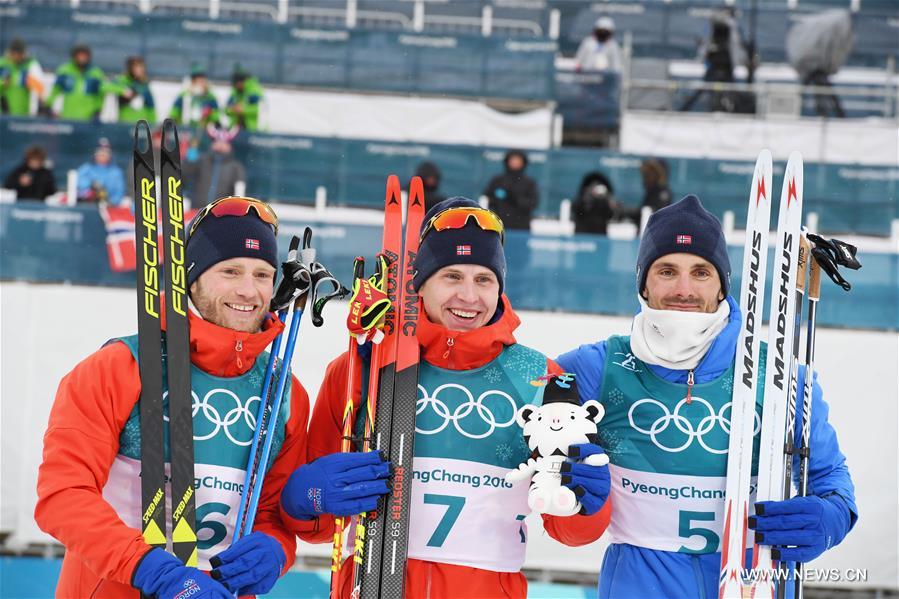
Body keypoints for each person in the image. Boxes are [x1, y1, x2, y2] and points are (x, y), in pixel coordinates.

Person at [295, 197, 612, 598]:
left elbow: (568, 531)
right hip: (370, 586)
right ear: (420, 283)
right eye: (451, 276)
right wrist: (307, 498)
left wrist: (587, 504)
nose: (469, 296)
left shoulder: (540, 379)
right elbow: (319, 525)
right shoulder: (362, 365)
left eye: (484, 280)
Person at [34, 197, 349, 598]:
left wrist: (274, 549)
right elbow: (63, 496)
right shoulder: (117, 368)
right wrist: (151, 569)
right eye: (230, 271)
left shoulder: (283, 392)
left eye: (262, 274)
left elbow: (270, 515)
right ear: (192, 278)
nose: (248, 290)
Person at [557, 195, 858, 598]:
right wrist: (569, 490)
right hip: (641, 585)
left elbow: (830, 477)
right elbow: (529, 442)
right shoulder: (594, 367)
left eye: (701, 272)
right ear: (644, 283)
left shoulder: (782, 375)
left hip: (753, 581)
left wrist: (831, 516)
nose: (684, 289)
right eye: (667, 271)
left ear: (721, 287)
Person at [183, 126, 246, 205]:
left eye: (224, 142)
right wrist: (188, 160)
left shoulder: (236, 167)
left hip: (221, 214)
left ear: (230, 146)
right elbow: (183, 174)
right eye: (217, 141)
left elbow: (239, 193)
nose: (220, 145)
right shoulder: (201, 160)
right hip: (197, 211)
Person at [46, 44, 108, 121]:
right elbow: (55, 91)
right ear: (74, 57)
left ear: (89, 57)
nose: (81, 58)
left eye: (84, 56)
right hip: (68, 117)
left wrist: (97, 110)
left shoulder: (95, 73)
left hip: (88, 119)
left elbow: (100, 95)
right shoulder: (65, 71)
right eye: (79, 55)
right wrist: (48, 106)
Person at [483, 150, 539, 231]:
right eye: (513, 160)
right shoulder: (498, 181)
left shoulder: (529, 183)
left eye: (518, 160)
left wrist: (516, 198)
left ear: (523, 162)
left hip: (521, 227)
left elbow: (532, 203)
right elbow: (488, 198)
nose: (515, 163)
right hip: (498, 225)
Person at [0, 38, 45, 116]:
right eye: (14, 53)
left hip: (22, 113)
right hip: (3, 113)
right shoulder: (2, 64)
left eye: (19, 53)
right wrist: (3, 82)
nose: (16, 56)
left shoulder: (30, 66)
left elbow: (39, 87)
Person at [76, 138, 125, 206]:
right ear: (95, 154)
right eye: (100, 152)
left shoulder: (116, 172)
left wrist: (110, 202)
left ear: (110, 155)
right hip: (88, 205)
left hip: (109, 208)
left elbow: (119, 192)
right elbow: (78, 185)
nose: (102, 154)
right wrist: (92, 185)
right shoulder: (85, 169)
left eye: (106, 152)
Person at [170, 64, 220, 131]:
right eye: (196, 78)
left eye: (201, 78)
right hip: (186, 131)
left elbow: (216, 115)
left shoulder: (210, 97)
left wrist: (212, 116)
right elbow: (174, 112)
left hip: (204, 131)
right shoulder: (184, 96)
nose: (200, 81)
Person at [572, 170, 618, 235]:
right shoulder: (583, 199)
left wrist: (610, 203)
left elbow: (611, 215)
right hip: (582, 236)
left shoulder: (605, 201)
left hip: (600, 236)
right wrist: (588, 198)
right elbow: (577, 210)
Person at [112, 56, 156, 124]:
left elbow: (151, 108)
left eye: (141, 67)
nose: (139, 70)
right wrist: (122, 91)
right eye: (136, 67)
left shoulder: (144, 85)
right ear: (130, 68)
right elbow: (106, 86)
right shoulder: (123, 80)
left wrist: (153, 125)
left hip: (141, 125)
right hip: (124, 123)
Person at [225, 64, 264, 131]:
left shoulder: (253, 92)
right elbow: (226, 110)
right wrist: (233, 109)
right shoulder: (234, 92)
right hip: (234, 129)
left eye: (238, 84)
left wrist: (243, 110)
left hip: (251, 130)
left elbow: (258, 110)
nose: (236, 86)